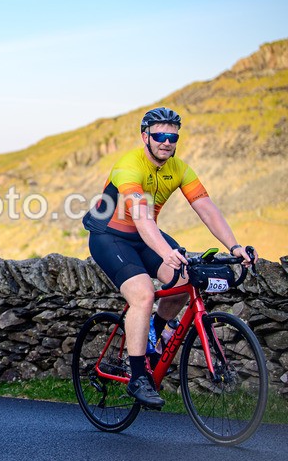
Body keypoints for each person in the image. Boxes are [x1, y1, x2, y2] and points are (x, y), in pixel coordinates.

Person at [82, 107, 257, 408]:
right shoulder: (128, 166)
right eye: (160, 136)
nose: (167, 142)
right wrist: (167, 253)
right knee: (142, 293)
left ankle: (152, 336)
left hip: (145, 234)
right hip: (109, 236)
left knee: (185, 280)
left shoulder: (179, 168)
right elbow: (141, 218)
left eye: (173, 137)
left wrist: (235, 246)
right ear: (145, 136)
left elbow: (206, 208)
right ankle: (137, 376)